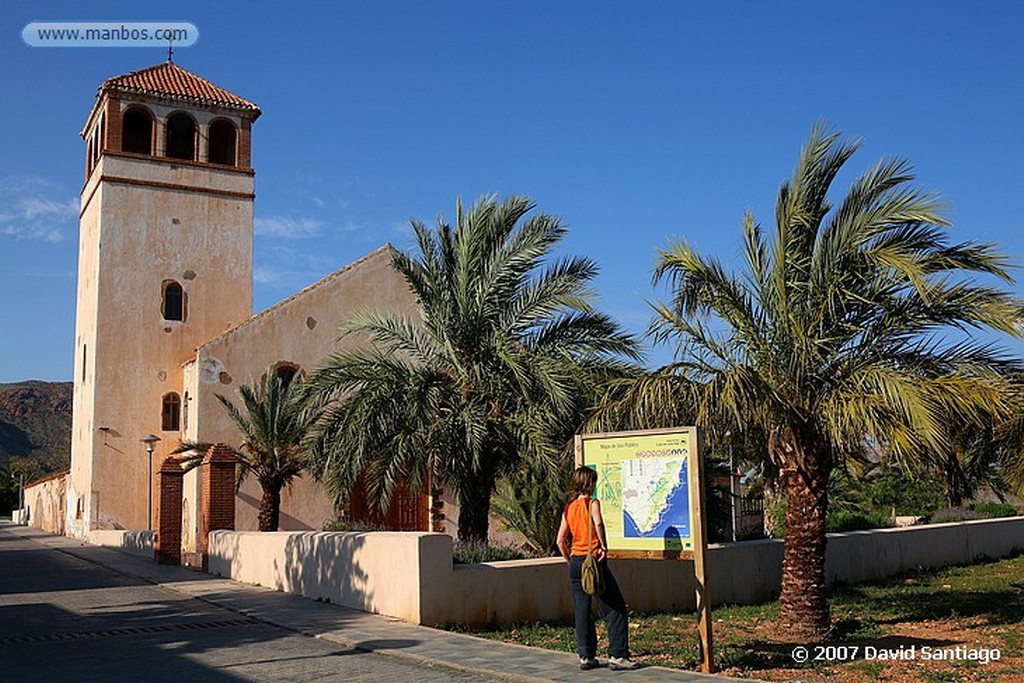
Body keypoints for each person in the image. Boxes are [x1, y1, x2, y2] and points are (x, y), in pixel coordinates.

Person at [556, 466, 638, 671]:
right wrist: (603, 546)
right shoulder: (592, 503)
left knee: (582, 610)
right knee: (614, 606)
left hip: (575, 562)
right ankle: (618, 655)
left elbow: (560, 540)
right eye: (594, 481)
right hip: (593, 561)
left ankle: (586, 655)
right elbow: (598, 523)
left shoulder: (569, 507)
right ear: (589, 483)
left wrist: (570, 560)